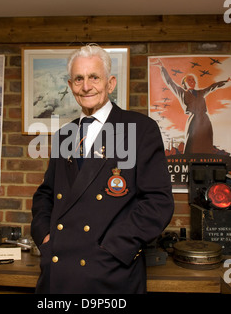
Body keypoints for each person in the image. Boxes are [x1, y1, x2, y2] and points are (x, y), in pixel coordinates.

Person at [31, 44, 174, 294]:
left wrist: (114, 249)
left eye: (94, 77)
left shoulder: (140, 129)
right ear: (70, 85)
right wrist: (44, 236)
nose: (86, 86)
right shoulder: (64, 135)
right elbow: (46, 193)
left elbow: (158, 202)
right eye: (79, 79)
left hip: (110, 274)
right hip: (58, 271)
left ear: (110, 83)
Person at [153, 58, 231, 154]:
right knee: (192, 143)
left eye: (193, 80)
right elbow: (170, 83)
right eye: (189, 79)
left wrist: (225, 81)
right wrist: (162, 67)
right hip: (193, 121)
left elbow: (212, 87)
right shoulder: (182, 93)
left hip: (205, 121)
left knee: (206, 143)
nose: (192, 81)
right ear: (184, 84)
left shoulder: (200, 92)